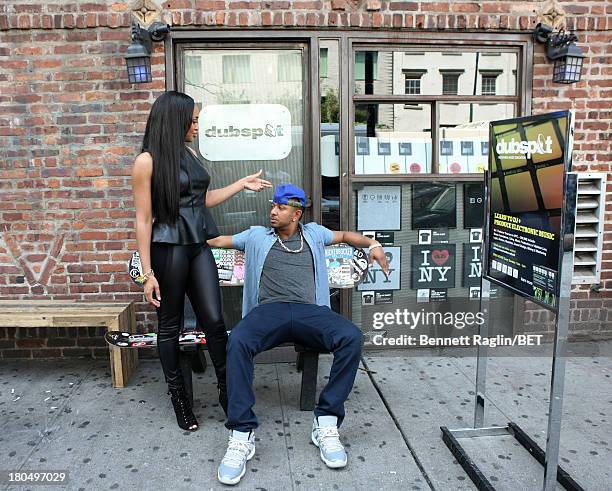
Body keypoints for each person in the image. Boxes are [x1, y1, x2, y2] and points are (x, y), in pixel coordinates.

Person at [207, 183, 389, 485]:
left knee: (351, 337)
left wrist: (373, 245)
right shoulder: (255, 235)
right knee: (238, 340)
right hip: (268, 312)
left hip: (311, 312)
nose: (273, 212)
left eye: (280, 208)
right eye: (272, 206)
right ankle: (241, 432)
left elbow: (345, 236)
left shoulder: (314, 233)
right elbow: (215, 240)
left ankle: (326, 420)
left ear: (296, 213)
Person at [131, 91, 271, 432]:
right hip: (169, 249)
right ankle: (180, 399)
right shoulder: (146, 161)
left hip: (198, 245)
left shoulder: (189, 153)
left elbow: (201, 200)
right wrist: (148, 273)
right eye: (192, 120)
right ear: (174, 120)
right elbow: (143, 219)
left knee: (214, 319)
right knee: (171, 325)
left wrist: (240, 184)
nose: (196, 125)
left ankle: (228, 392)